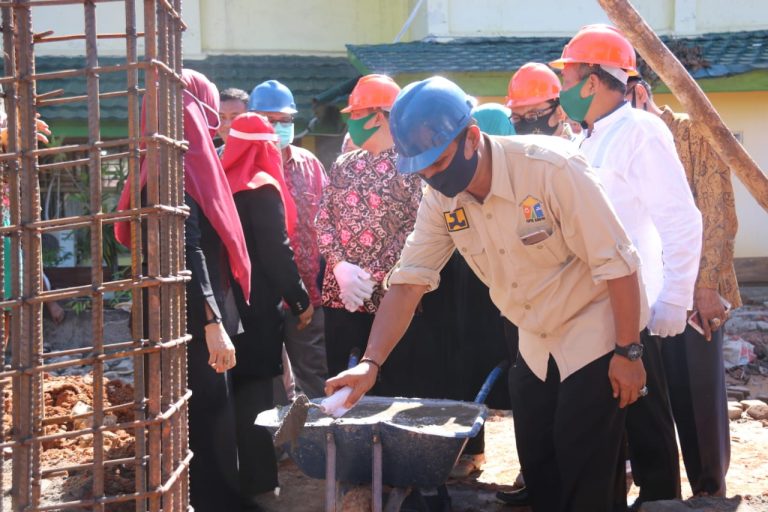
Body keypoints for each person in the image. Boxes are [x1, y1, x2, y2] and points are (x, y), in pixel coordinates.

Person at [326, 76, 649, 512]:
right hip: (530, 339)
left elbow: (620, 263)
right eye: (421, 170)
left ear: (472, 138)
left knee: (586, 476)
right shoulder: (440, 198)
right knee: (539, 471)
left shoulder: (552, 170)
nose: (433, 179)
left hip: (592, 332)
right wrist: (371, 363)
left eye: (438, 164)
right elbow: (410, 280)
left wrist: (628, 352)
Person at [550, 24, 703, 508]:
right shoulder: (589, 138)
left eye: (568, 77)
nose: (562, 89)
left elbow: (681, 219)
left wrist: (673, 300)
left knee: (647, 425)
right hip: (595, 311)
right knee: (614, 425)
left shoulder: (639, 131)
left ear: (593, 81)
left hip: (636, 311)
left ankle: (660, 502)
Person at [115, 69, 250, 511]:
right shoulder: (180, 169)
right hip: (187, 319)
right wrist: (213, 322)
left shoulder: (155, 166)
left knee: (177, 417)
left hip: (164, 314)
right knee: (202, 417)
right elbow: (187, 251)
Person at [626, 75, 740, 499]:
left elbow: (717, 214)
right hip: (638, 293)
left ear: (639, 93)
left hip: (694, 294)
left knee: (696, 396)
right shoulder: (617, 142)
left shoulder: (695, 133)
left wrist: (706, 288)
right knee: (646, 395)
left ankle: (709, 491)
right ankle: (658, 492)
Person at [221, 112, 313, 508]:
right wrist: (300, 300)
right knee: (255, 397)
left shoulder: (220, 186)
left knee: (227, 397)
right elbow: (277, 253)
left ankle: (228, 477)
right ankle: (259, 483)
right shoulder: (262, 186)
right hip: (256, 308)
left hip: (221, 307)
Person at [316, 74, 423, 394]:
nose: (351, 123)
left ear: (379, 116)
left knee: (391, 390)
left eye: (356, 116)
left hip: (392, 301)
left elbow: (417, 231)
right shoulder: (344, 164)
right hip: (341, 299)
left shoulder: (413, 167)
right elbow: (323, 221)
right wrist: (340, 268)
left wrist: (373, 276)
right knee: (340, 388)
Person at [249, 80, 329, 399]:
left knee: (314, 377)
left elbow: (327, 223)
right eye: (270, 120)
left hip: (308, 294)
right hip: (259, 298)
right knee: (266, 381)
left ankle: (316, 446)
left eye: (285, 121)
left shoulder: (309, 165)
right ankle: (276, 448)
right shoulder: (239, 164)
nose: (279, 127)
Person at [506, 62, 571, 138]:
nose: (524, 125)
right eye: (515, 118)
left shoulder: (579, 148)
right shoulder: (512, 148)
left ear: (560, 111)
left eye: (532, 116)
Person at [217, 87, 249, 155]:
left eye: (235, 117)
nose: (227, 124)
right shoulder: (212, 157)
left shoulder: (262, 157)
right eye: (222, 117)